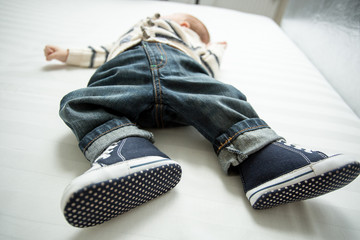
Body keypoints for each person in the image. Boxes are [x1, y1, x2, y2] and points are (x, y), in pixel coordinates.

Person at [44, 13, 360, 228]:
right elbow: (97, 53)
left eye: (193, 30)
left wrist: (213, 49)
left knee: (221, 96)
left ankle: (266, 160)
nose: (188, 29)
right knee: (78, 101)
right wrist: (66, 53)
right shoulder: (120, 43)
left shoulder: (191, 47)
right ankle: (128, 150)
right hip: (124, 76)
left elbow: (210, 64)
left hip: (182, 73)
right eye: (190, 27)